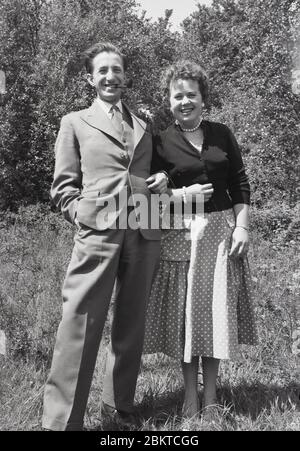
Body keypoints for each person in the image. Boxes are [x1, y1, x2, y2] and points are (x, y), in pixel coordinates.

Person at [42, 42, 168, 431]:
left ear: (125, 75)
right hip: (97, 234)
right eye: (103, 71)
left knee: (131, 325)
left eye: (117, 69)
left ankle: (119, 411)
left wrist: (165, 180)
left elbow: (161, 171)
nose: (110, 76)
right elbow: (63, 187)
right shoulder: (75, 122)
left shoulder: (146, 123)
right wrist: (84, 216)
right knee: (79, 322)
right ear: (90, 78)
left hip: (144, 231)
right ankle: (63, 421)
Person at [143, 60, 257, 420]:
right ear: (169, 100)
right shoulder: (160, 142)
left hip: (222, 234)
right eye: (178, 95)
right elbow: (149, 199)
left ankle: (211, 398)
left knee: (214, 314)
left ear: (203, 99)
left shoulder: (222, 133)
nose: (185, 100)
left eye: (191, 94)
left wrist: (242, 227)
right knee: (189, 316)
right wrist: (169, 189)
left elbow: (239, 182)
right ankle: (189, 396)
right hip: (180, 236)